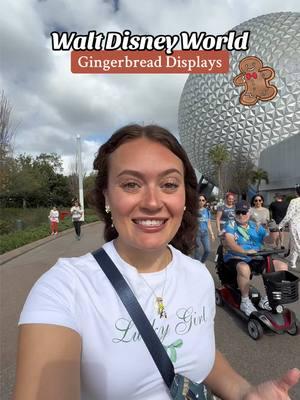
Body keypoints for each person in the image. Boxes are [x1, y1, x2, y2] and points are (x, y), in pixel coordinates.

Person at [13, 125, 299, 400]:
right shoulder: (66, 288)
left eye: (169, 184)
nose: (152, 201)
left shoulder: (198, 275)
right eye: (131, 184)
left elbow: (203, 358)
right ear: (106, 197)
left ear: (184, 199)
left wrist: (243, 392)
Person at [223, 200, 288, 316]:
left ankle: (267, 299)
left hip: (256, 257)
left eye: (244, 212)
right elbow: (230, 243)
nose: (241, 215)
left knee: (282, 266)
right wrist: (245, 251)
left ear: (249, 213)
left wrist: (273, 230)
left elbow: (269, 241)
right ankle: (245, 301)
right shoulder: (231, 225)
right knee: (244, 268)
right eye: (238, 212)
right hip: (236, 256)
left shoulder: (255, 226)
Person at [278, 185, 300, 269]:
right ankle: (292, 262)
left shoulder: (294, 201)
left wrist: (280, 225)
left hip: (295, 226)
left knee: (297, 245)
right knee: (295, 244)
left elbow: (289, 215)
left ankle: (292, 262)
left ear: (297, 192)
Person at [195, 194, 215, 263]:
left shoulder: (207, 211)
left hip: (205, 233)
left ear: (205, 201)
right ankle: (197, 265)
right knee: (198, 251)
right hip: (196, 233)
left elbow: (208, 223)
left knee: (207, 250)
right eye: (199, 200)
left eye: (203, 200)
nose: (201, 202)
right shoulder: (194, 211)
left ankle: (202, 262)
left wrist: (212, 234)